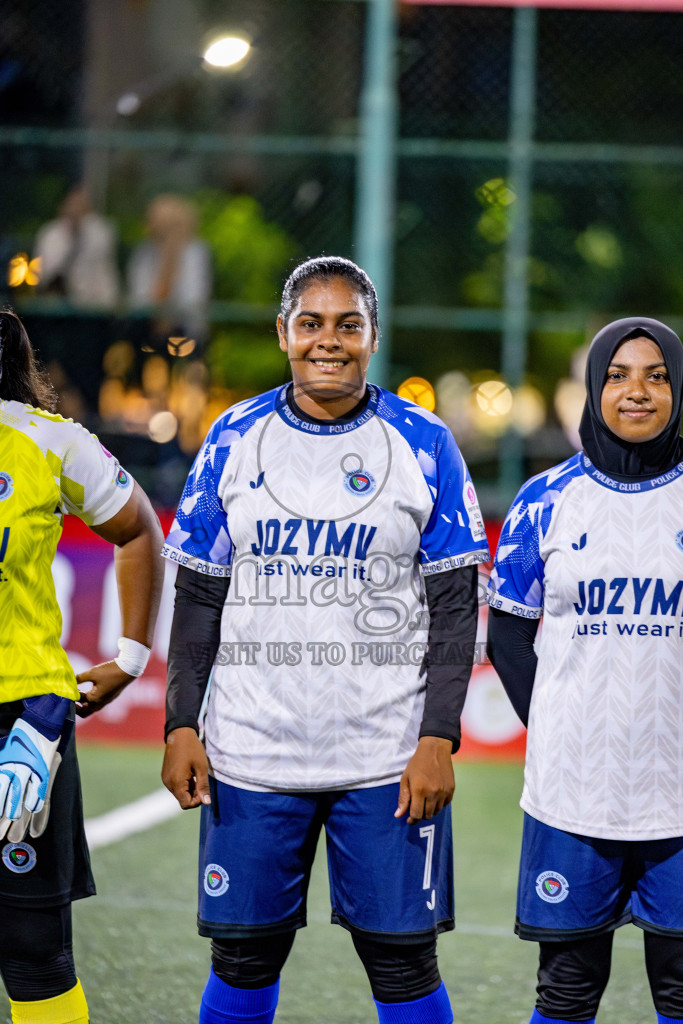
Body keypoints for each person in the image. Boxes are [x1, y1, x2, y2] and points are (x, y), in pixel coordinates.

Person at [161, 255, 489, 1024]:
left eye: (348, 324)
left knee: (402, 964)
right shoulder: (233, 434)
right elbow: (199, 593)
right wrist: (180, 722)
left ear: (372, 337)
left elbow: (454, 604)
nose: (327, 341)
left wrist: (439, 736)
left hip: (384, 758)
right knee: (242, 957)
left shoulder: (424, 441)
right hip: (250, 753)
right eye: (310, 324)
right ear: (283, 334)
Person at [486, 317, 683, 1024]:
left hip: (678, 795)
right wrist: (558, 727)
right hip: (573, 795)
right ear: (593, 387)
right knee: (566, 991)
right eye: (617, 375)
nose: (637, 392)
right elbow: (508, 636)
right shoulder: (544, 498)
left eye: (656, 376)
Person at [0, 308, 164, 1024]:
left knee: (33, 949)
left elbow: (137, 530)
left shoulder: (47, 440)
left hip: (23, 721)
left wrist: (130, 657)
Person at [126, 193, 212, 357]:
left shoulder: (196, 252)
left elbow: (193, 298)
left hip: (185, 328)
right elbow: (139, 299)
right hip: (148, 326)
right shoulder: (144, 252)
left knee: (174, 336)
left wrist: (171, 258)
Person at [33, 184, 120, 309]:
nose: (77, 208)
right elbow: (46, 275)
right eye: (74, 202)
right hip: (59, 308)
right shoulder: (50, 234)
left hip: (97, 308)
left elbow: (106, 272)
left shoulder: (102, 232)